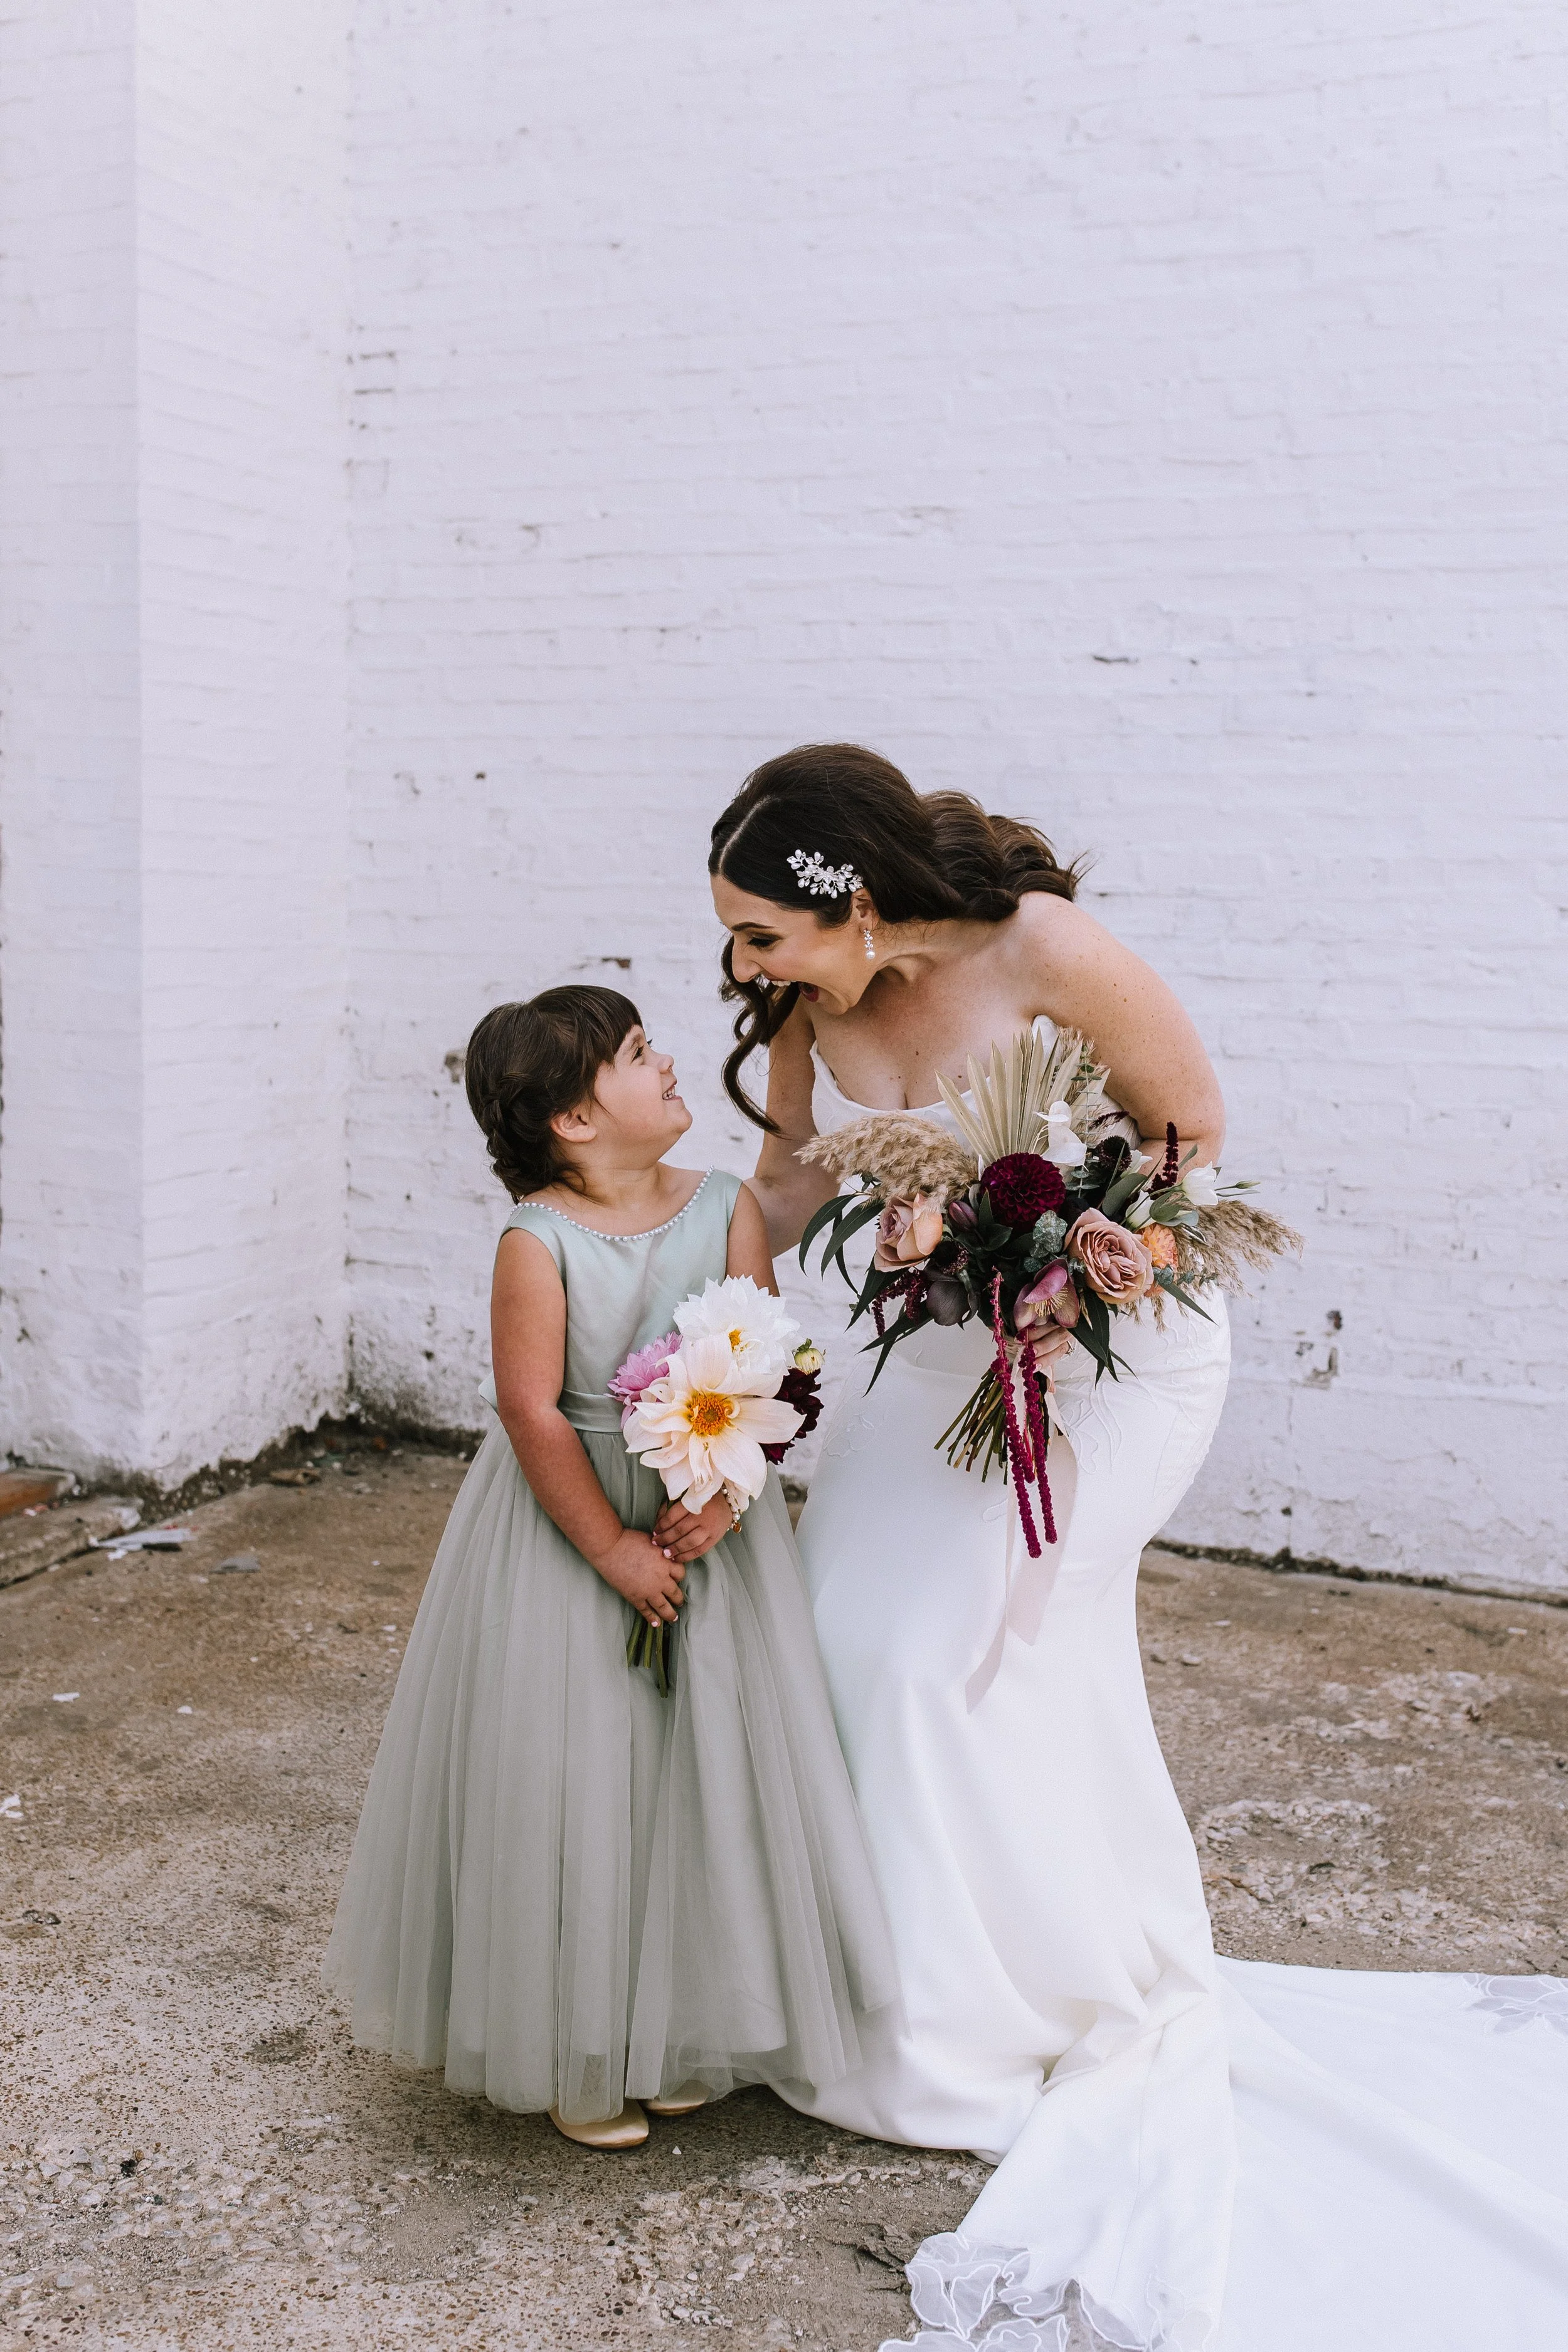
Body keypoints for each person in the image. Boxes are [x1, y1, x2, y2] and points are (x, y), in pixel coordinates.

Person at [710, 744, 1568, 2351]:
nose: (740, 967)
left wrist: (1063, 1273)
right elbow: (780, 1171)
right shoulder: (799, 1009)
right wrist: (733, 1358)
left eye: (763, 935)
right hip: (944, 1357)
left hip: (1114, 1346)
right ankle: (900, 1989)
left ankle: (983, 2030)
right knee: (841, 1636)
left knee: (956, 1642)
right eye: (739, 938)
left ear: (860, 906)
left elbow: (1187, 1138)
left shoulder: (1041, 951)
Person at [324, 985, 896, 2149]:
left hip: (702, 1518)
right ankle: (575, 2048)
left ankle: (681, 2026)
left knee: (700, 1773)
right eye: (638, 1054)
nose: (669, 1058)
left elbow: (769, 1360)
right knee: (574, 1768)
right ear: (575, 1120)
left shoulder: (727, 1207)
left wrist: (724, 1496)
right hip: (570, 1528)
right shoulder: (537, 1242)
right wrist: (614, 1549)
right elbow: (533, 1411)